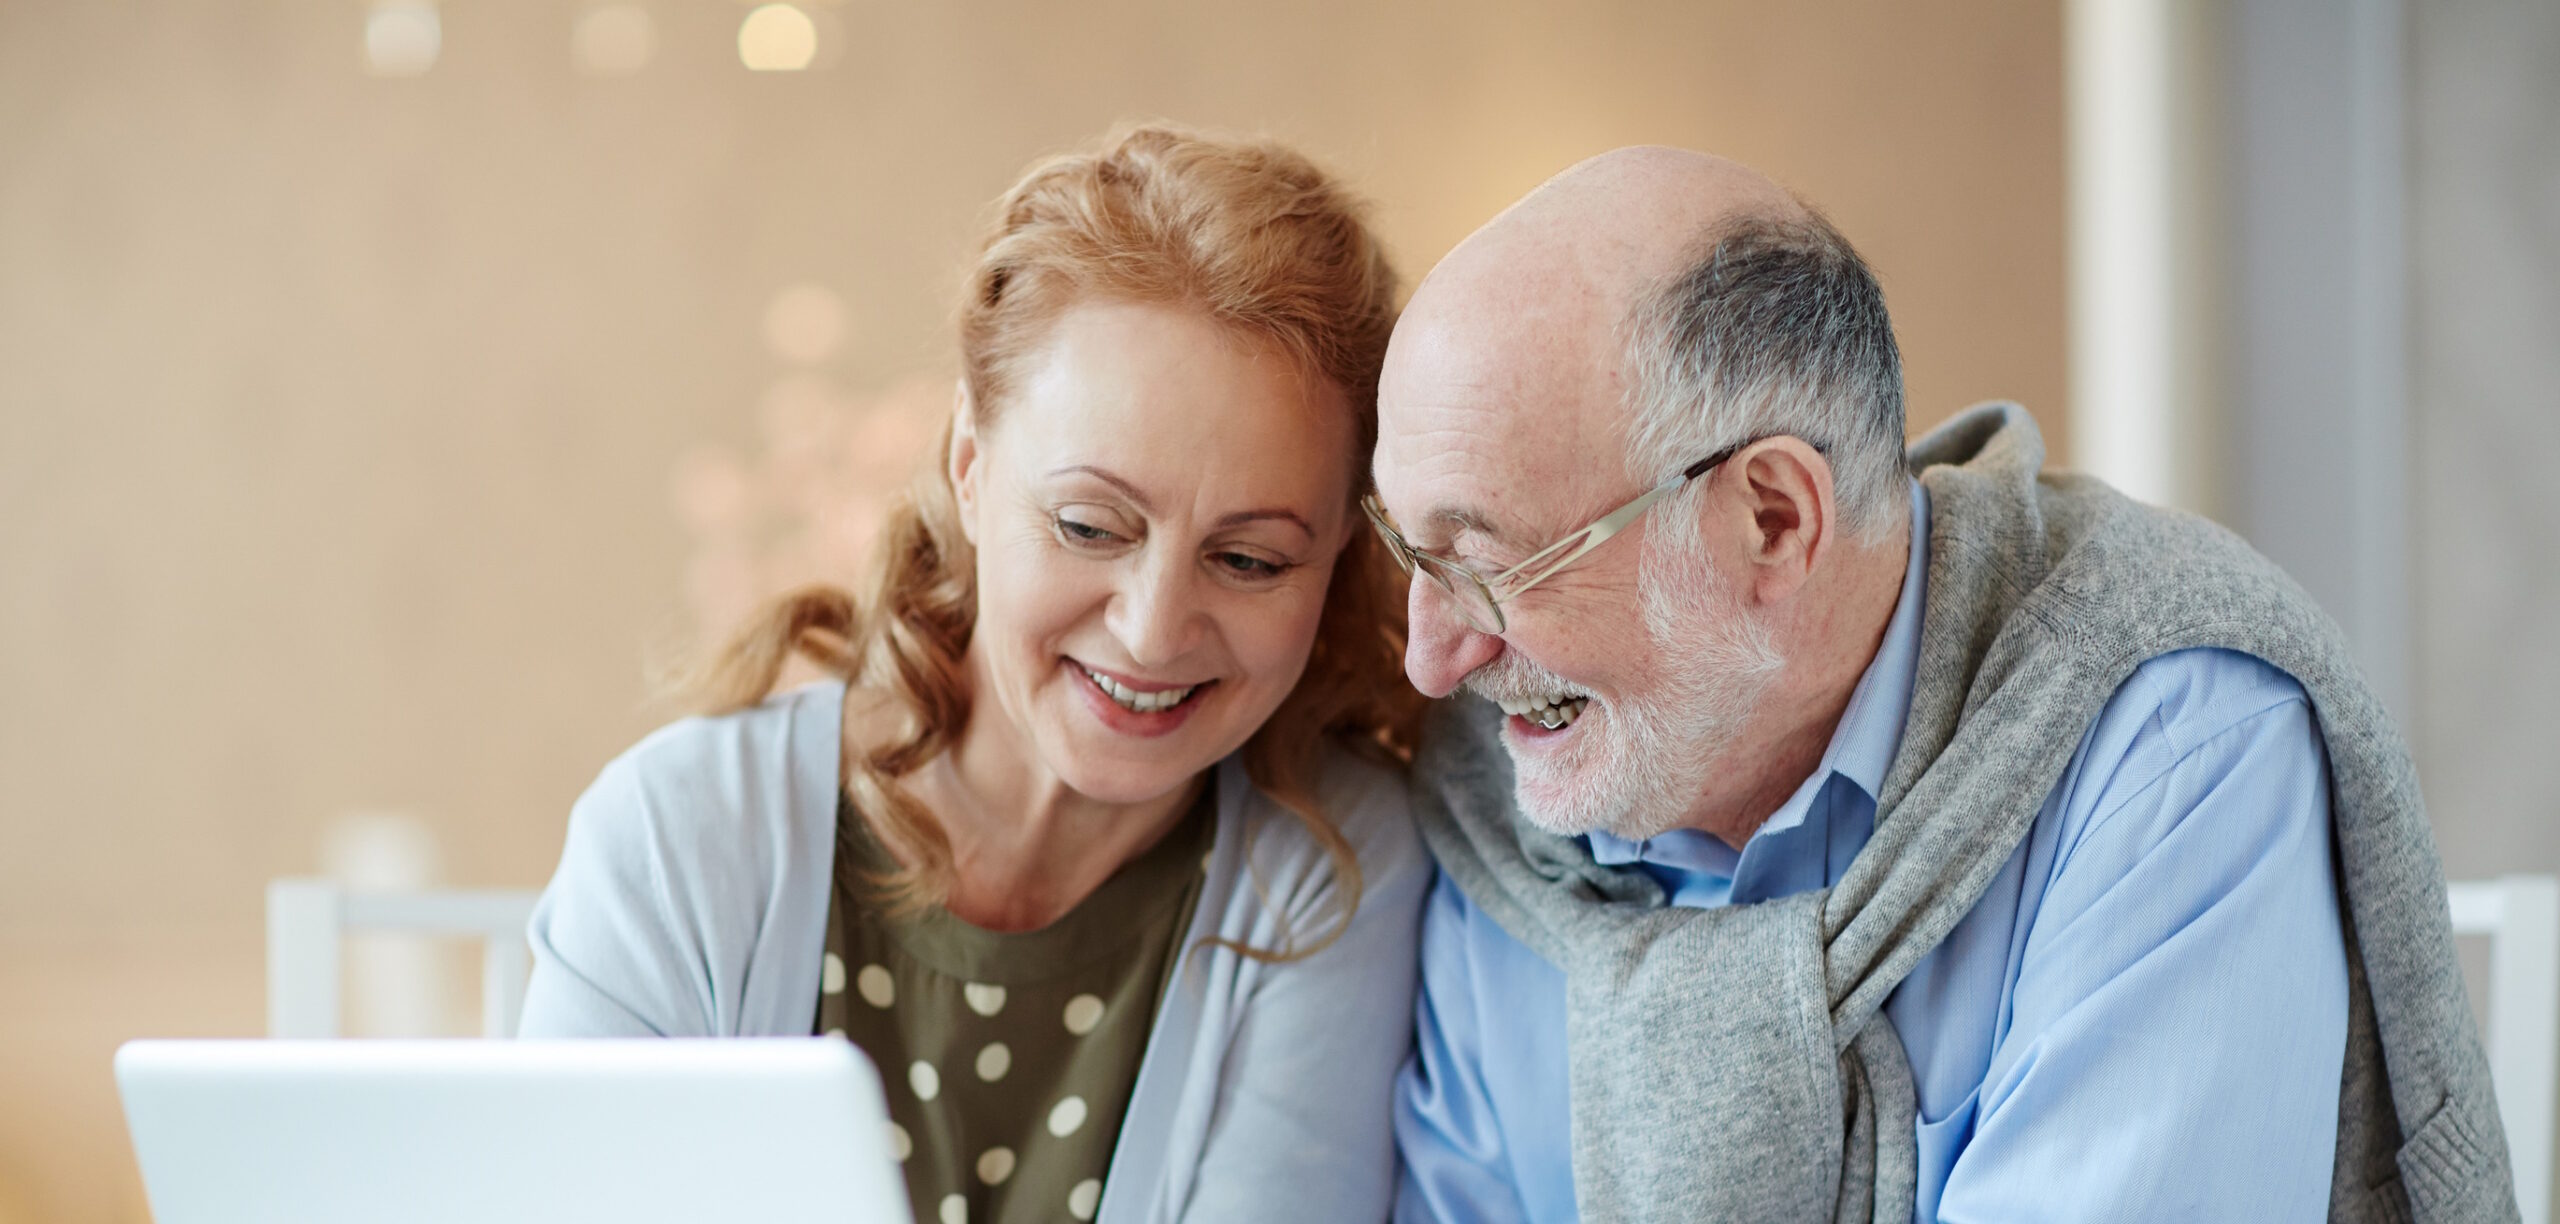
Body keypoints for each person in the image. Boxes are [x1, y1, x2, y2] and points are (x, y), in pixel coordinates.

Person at [1377, 147, 2511, 1222]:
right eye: (1406, 552)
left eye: (1483, 566)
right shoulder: (1494, 809)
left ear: (1770, 520)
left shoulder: (2169, 741)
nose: (1430, 660)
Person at [518, 125, 1430, 1224]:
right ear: (969, 465)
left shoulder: (1335, 867)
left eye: (1249, 559)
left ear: (1337, 556)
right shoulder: (679, 835)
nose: (1150, 632)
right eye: (1091, 525)